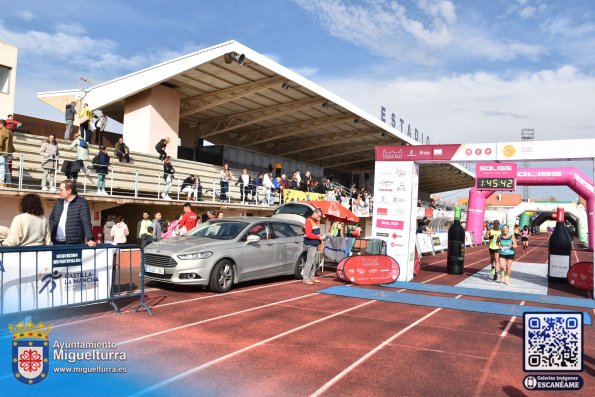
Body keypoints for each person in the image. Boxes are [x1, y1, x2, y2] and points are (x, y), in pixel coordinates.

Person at [48, 180, 96, 246]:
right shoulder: (58, 202)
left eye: (61, 190)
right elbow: (51, 219)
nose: (60, 193)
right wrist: (52, 231)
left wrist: (90, 239)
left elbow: (86, 222)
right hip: (56, 243)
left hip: (74, 244)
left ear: (69, 191)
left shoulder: (82, 202)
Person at [302, 208, 325, 285]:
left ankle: (312, 277)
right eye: (318, 216)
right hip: (311, 244)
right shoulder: (309, 221)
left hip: (315, 243)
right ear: (315, 213)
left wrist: (320, 236)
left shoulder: (316, 221)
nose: (319, 217)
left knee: (314, 261)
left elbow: (315, 233)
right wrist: (319, 237)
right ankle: (305, 278)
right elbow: (308, 234)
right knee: (310, 261)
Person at [0, 119, 15, 187]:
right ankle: (8, 183)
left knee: (2, 167)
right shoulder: (10, 132)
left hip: (1, 152)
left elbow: (0, 142)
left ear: (1, 124)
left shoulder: (2, 131)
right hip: (7, 152)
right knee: (6, 168)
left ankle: (1, 182)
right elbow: (11, 144)